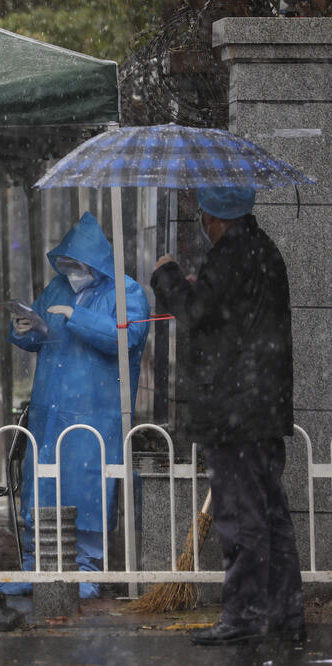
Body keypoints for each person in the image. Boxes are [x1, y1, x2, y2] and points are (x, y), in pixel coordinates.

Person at [151, 186, 303, 646]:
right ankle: (285, 613)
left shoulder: (231, 255)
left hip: (234, 411)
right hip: (262, 409)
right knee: (272, 513)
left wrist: (168, 275)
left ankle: (244, 614)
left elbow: (196, 313)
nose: (202, 222)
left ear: (218, 218)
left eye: (204, 214)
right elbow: (233, 316)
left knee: (242, 517)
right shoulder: (265, 252)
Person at [0, 211, 150, 599]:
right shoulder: (57, 288)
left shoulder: (126, 292)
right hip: (51, 407)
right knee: (43, 483)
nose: (69, 271)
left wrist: (77, 318)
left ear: (94, 262)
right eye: (64, 264)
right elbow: (43, 334)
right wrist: (25, 331)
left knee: (88, 489)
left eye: (75, 265)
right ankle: (36, 564)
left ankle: (87, 566)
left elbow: (128, 338)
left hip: (96, 413)